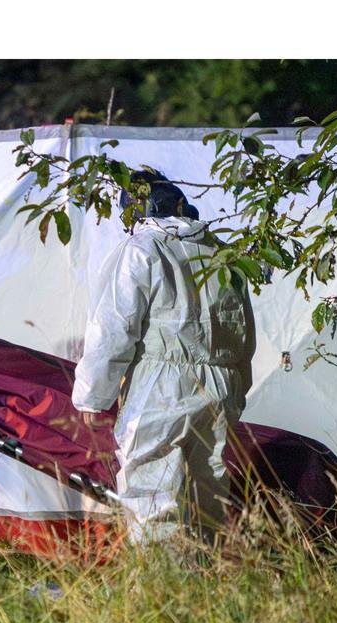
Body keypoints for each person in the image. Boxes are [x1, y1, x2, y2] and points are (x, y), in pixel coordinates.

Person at [71, 170, 255, 545]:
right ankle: (208, 590)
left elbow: (113, 327)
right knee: (210, 497)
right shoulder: (221, 252)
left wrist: (92, 396)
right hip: (221, 388)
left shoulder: (142, 250)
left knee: (153, 500)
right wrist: (238, 390)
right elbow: (241, 331)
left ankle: (166, 593)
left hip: (161, 389)